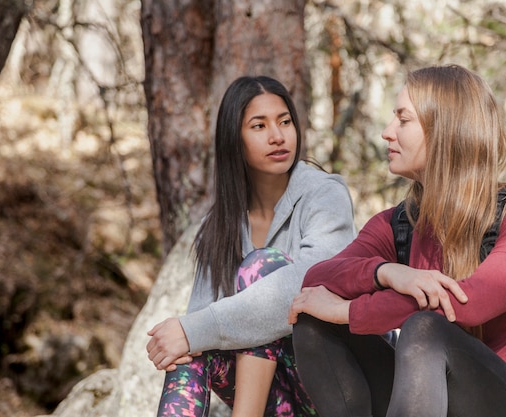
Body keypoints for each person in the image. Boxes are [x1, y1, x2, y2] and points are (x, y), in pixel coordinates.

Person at [289, 64, 506, 417]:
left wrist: (348, 310)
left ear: (445, 129)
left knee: (426, 328)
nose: (387, 132)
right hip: (431, 393)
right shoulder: (399, 222)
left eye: (403, 119)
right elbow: (316, 281)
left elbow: (467, 304)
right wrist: (388, 273)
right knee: (314, 324)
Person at [146, 75, 356, 417]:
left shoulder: (324, 194)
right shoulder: (218, 226)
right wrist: (185, 338)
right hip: (278, 401)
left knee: (263, 267)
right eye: (259, 126)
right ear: (235, 140)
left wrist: (193, 329)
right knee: (193, 353)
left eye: (285, 121)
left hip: (334, 384)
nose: (277, 136)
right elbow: (199, 330)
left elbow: (313, 279)